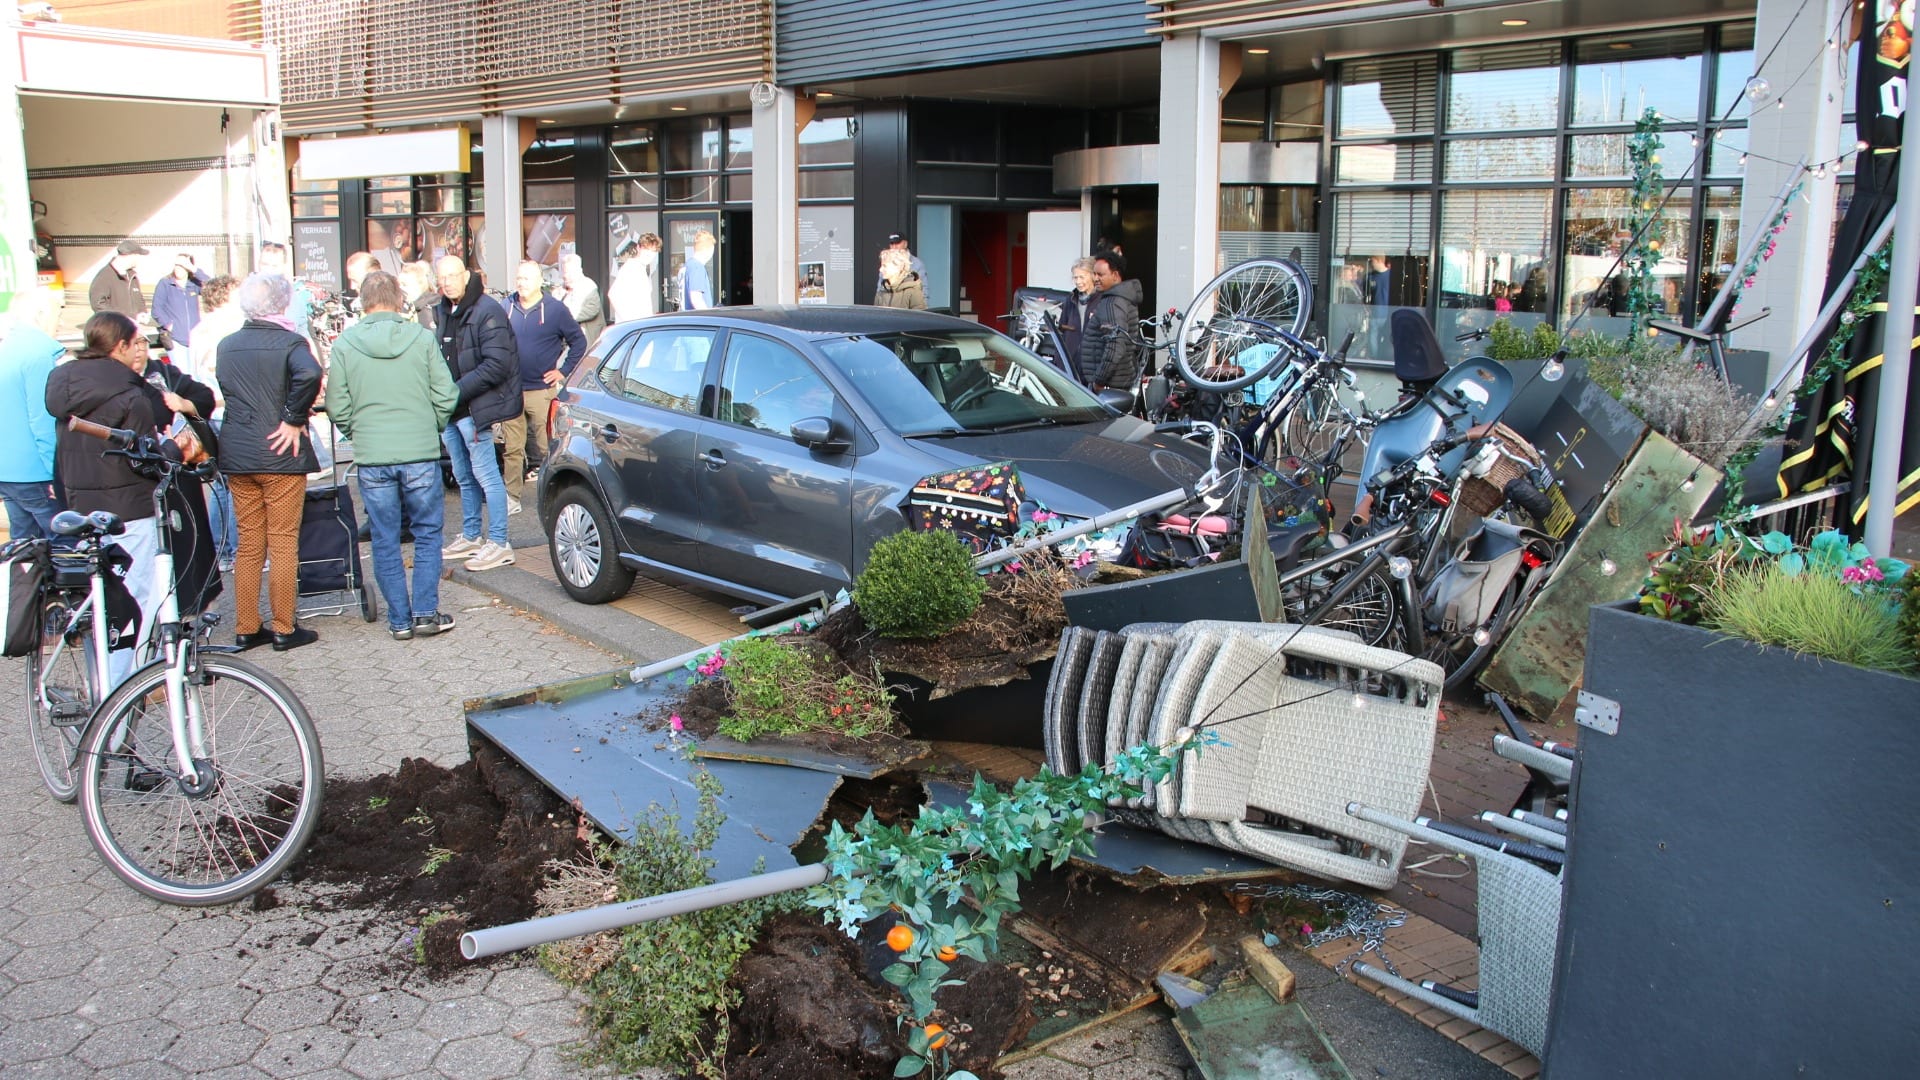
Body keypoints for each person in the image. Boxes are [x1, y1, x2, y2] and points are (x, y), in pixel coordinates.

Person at [44, 312, 200, 684]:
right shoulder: (131, 396)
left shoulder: (65, 386)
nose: (138, 351)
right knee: (140, 600)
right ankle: (130, 686)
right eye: (135, 343)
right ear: (120, 346)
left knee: (105, 603)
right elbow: (146, 462)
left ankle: (105, 682)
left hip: (82, 509)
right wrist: (175, 449)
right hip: (129, 511)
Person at [324, 271, 459, 640]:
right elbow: (446, 394)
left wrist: (359, 432)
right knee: (427, 533)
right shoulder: (421, 338)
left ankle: (399, 621)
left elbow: (337, 406)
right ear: (399, 299)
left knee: (384, 538)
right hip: (419, 451)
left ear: (363, 301)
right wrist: (430, 426)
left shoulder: (346, 344)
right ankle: (425, 614)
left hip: (373, 456)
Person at [216, 274, 323, 653]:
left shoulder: (227, 345)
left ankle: (246, 626)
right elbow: (311, 373)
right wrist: (293, 417)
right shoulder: (290, 341)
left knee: (249, 543)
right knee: (282, 542)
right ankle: (283, 627)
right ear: (282, 302)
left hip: (238, 452)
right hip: (279, 453)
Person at [432, 255, 520, 572]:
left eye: (452, 276)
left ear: (466, 275)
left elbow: (497, 365)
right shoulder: (443, 310)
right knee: (463, 476)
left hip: (474, 408)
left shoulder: (487, 310)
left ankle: (499, 542)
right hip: (452, 410)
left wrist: (454, 391)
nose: (446, 283)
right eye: (441, 278)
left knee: (487, 476)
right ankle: (471, 535)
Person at [503, 260, 587, 513]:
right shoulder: (506, 306)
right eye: (519, 278)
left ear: (540, 281)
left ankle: (556, 498)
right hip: (511, 390)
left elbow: (579, 342)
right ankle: (511, 497)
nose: (521, 283)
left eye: (527, 278)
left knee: (547, 447)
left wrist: (563, 371)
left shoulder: (555, 309)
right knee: (512, 448)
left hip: (541, 390)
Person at [0, 288, 65, 539]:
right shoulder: (38, 355)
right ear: (40, 314)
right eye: (57, 315)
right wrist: (56, 474)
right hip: (36, 472)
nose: (59, 323)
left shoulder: (7, 349)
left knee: (26, 547)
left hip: (8, 471)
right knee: (65, 545)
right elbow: (44, 419)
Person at [190, 275, 243, 571]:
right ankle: (235, 550)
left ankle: (221, 551)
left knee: (221, 484)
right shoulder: (230, 326)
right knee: (235, 484)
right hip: (228, 412)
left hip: (208, 414)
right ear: (226, 297)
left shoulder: (199, 330)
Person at [1076, 251, 1143, 395]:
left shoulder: (1112, 302)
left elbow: (1115, 344)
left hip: (1108, 386)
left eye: (1100, 275)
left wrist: (1099, 381)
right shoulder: (1122, 298)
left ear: (1115, 275)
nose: (1095, 279)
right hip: (1117, 383)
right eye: (1094, 274)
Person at [150, 252, 209, 363]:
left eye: (182, 265)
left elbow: (213, 286)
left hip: (194, 340)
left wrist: (195, 270)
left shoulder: (193, 284)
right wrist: (169, 325)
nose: (178, 268)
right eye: (176, 264)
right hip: (175, 339)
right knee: (181, 371)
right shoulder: (165, 283)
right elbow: (156, 309)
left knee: (196, 371)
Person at [607, 233, 661, 322]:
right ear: (638, 247)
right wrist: (629, 321)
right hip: (633, 325)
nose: (649, 254)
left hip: (640, 324)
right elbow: (613, 294)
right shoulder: (631, 267)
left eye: (653, 251)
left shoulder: (641, 268)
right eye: (646, 249)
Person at [553, 252, 605, 345]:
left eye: (568, 272)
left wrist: (565, 316)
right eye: (564, 272)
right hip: (567, 340)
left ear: (578, 271)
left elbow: (592, 309)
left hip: (586, 339)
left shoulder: (588, 286)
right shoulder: (561, 290)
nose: (565, 276)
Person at [89, 239, 148, 317]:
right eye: (139, 256)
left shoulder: (132, 276)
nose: (140, 259)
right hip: (115, 324)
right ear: (131, 255)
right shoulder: (104, 276)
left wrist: (142, 312)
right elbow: (98, 305)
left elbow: (139, 299)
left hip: (132, 324)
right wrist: (122, 318)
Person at [1056, 257, 1097, 366]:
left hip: (1091, 364)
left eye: (1082, 277)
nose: (1078, 282)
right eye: (1075, 277)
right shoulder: (1071, 299)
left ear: (1093, 276)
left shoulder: (1101, 300)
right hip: (1069, 362)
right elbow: (1062, 331)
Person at [682, 229, 717, 311]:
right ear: (708, 249)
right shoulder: (697, 267)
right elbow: (696, 299)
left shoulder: (687, 265)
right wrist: (708, 316)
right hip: (696, 317)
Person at [399, 261, 439, 331]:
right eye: (398, 284)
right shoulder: (402, 309)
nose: (400, 288)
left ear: (419, 285)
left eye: (404, 284)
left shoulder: (431, 311)